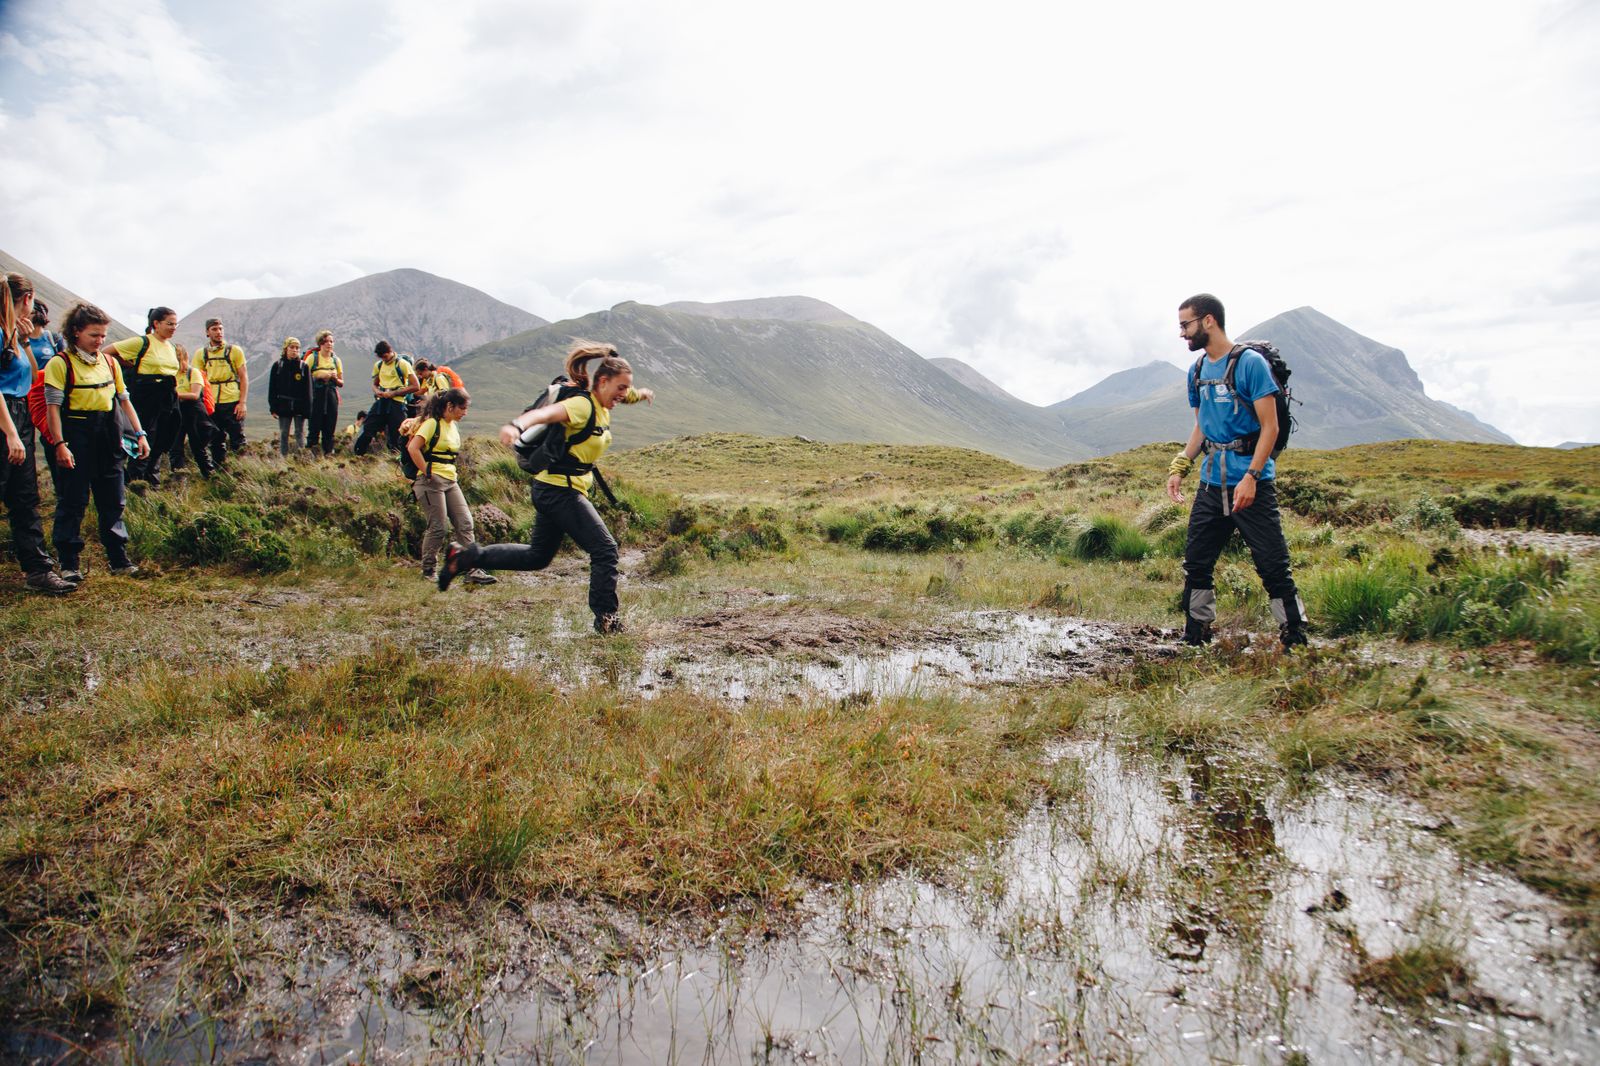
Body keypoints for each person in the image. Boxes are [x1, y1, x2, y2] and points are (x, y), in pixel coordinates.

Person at [438, 344, 654, 635]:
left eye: (626, 388)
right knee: (605, 550)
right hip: (559, 492)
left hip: (555, 489)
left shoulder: (605, 402)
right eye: (620, 387)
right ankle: (607, 619)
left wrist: (642, 394)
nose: (623, 394)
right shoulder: (582, 406)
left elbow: (628, 395)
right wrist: (517, 425)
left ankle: (465, 558)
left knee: (537, 557)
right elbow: (544, 415)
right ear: (602, 382)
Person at [1165, 293, 1308, 650]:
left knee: (1273, 564)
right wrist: (1181, 466)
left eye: (1186, 324)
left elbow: (1270, 427)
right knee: (1197, 562)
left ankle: (1295, 636)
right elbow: (1201, 426)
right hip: (1212, 484)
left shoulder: (1250, 364)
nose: (1182, 333)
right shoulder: (1196, 372)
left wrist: (1252, 477)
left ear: (1208, 321)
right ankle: (1195, 633)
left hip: (1251, 484)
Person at [45, 303, 151, 583]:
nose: (100, 341)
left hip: (109, 431)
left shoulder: (110, 362)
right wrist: (59, 444)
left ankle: (118, 559)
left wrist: (140, 434)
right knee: (73, 499)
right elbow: (53, 408)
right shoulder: (60, 363)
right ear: (76, 332)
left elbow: (124, 401)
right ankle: (69, 563)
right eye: (94, 335)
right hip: (76, 433)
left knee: (113, 499)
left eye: (103, 335)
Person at [1, 274, 73, 593]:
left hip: (20, 414)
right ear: (28, 298)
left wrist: (25, 342)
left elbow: (31, 377)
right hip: (5, 418)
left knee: (25, 496)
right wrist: (11, 434)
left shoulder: (14, 333)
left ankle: (38, 571)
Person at [405, 386, 494, 584]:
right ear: (449, 406)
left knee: (465, 523)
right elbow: (413, 448)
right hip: (430, 482)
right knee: (438, 527)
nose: (465, 412)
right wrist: (428, 472)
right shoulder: (431, 424)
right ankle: (428, 570)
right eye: (462, 408)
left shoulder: (452, 426)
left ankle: (472, 571)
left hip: (450, 480)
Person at [104, 307, 180, 485]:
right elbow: (107, 352)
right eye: (170, 323)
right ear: (156, 324)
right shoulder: (142, 342)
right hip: (146, 396)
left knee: (163, 438)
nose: (174, 327)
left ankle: (152, 480)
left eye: (176, 324)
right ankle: (136, 483)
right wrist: (130, 365)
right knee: (146, 436)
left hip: (167, 396)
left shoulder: (171, 346)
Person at [196, 318, 248, 468]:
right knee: (216, 439)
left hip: (232, 399)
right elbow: (198, 379)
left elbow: (244, 377)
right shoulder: (201, 354)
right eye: (214, 329)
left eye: (220, 329)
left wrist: (242, 402)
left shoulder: (234, 351)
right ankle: (220, 472)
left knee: (238, 438)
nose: (219, 332)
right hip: (211, 402)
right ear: (207, 332)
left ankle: (244, 470)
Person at [351, 341, 417, 454]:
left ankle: (398, 460)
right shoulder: (379, 365)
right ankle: (358, 454)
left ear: (390, 351)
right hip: (382, 401)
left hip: (397, 402)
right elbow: (375, 383)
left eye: (385, 356)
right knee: (368, 426)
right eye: (381, 357)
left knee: (397, 434)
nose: (384, 359)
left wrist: (394, 393)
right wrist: (377, 391)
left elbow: (415, 386)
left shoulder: (402, 364)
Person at [172, 345, 216, 477]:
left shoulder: (193, 372)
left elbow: (195, 395)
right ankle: (178, 479)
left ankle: (209, 475)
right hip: (176, 413)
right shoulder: (170, 374)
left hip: (193, 413)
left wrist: (175, 395)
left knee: (198, 448)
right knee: (175, 449)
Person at [267, 337, 313, 455]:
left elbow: (308, 389)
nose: (295, 350)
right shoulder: (278, 366)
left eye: (297, 348)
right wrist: (273, 407)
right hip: (283, 404)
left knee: (299, 432)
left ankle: (301, 457)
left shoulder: (303, 367)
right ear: (286, 349)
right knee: (284, 433)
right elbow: (272, 388)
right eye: (292, 347)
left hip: (299, 405)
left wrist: (308, 409)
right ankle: (284, 458)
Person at [305, 329, 343, 454]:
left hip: (331, 396)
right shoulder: (312, 358)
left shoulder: (336, 360)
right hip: (316, 396)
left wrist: (333, 378)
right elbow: (304, 378)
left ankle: (328, 455)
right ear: (320, 343)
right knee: (314, 427)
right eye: (326, 341)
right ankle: (311, 455)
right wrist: (319, 376)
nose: (329, 344)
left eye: (331, 341)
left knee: (329, 428)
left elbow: (341, 383)